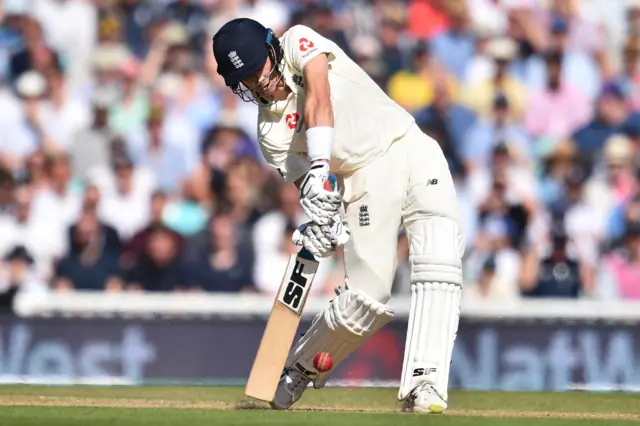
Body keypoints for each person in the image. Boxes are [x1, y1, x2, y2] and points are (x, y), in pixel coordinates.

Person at [212, 18, 465, 414]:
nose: (258, 81)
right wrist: (323, 218)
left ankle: (425, 384)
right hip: (362, 181)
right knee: (365, 299)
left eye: (257, 67)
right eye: (244, 78)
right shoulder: (270, 134)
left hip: (408, 144)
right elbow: (310, 191)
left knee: (439, 257)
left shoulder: (298, 41)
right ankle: (298, 370)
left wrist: (318, 165)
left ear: (270, 47)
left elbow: (319, 97)